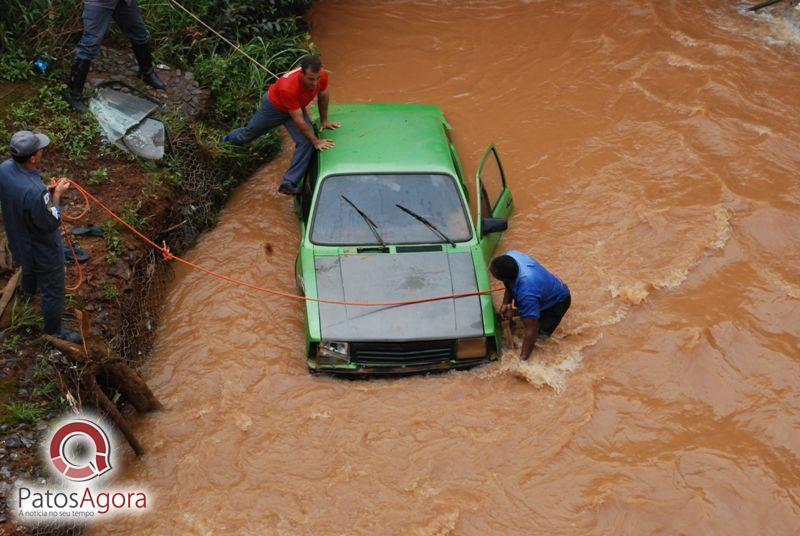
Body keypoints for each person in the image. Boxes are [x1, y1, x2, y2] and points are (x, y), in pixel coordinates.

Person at [0, 132, 80, 343]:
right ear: (33, 158)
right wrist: (55, 195)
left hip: (17, 238)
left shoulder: (5, 169)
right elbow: (50, 222)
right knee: (53, 290)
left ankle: (28, 293)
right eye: (40, 149)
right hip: (41, 248)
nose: (42, 150)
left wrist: (43, 191)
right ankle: (54, 332)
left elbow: (20, 196)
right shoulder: (36, 193)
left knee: (27, 266)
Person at [221, 55, 340, 195]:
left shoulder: (322, 74)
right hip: (274, 107)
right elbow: (299, 121)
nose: (315, 83)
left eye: (317, 78)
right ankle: (224, 141)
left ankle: (288, 183)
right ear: (301, 74)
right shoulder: (288, 87)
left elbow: (323, 96)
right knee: (247, 134)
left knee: (306, 142)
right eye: (311, 79)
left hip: (296, 107)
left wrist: (324, 121)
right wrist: (317, 141)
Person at [63, 0, 166, 113]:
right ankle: (73, 94)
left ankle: (146, 72)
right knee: (90, 44)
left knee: (140, 34)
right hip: (99, 3)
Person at [490, 250, 571, 361]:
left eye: (493, 271)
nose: (490, 270)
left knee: (539, 338)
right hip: (542, 289)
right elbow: (508, 283)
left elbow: (531, 329)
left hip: (557, 302)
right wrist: (506, 303)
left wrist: (522, 360)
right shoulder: (510, 255)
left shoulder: (527, 292)